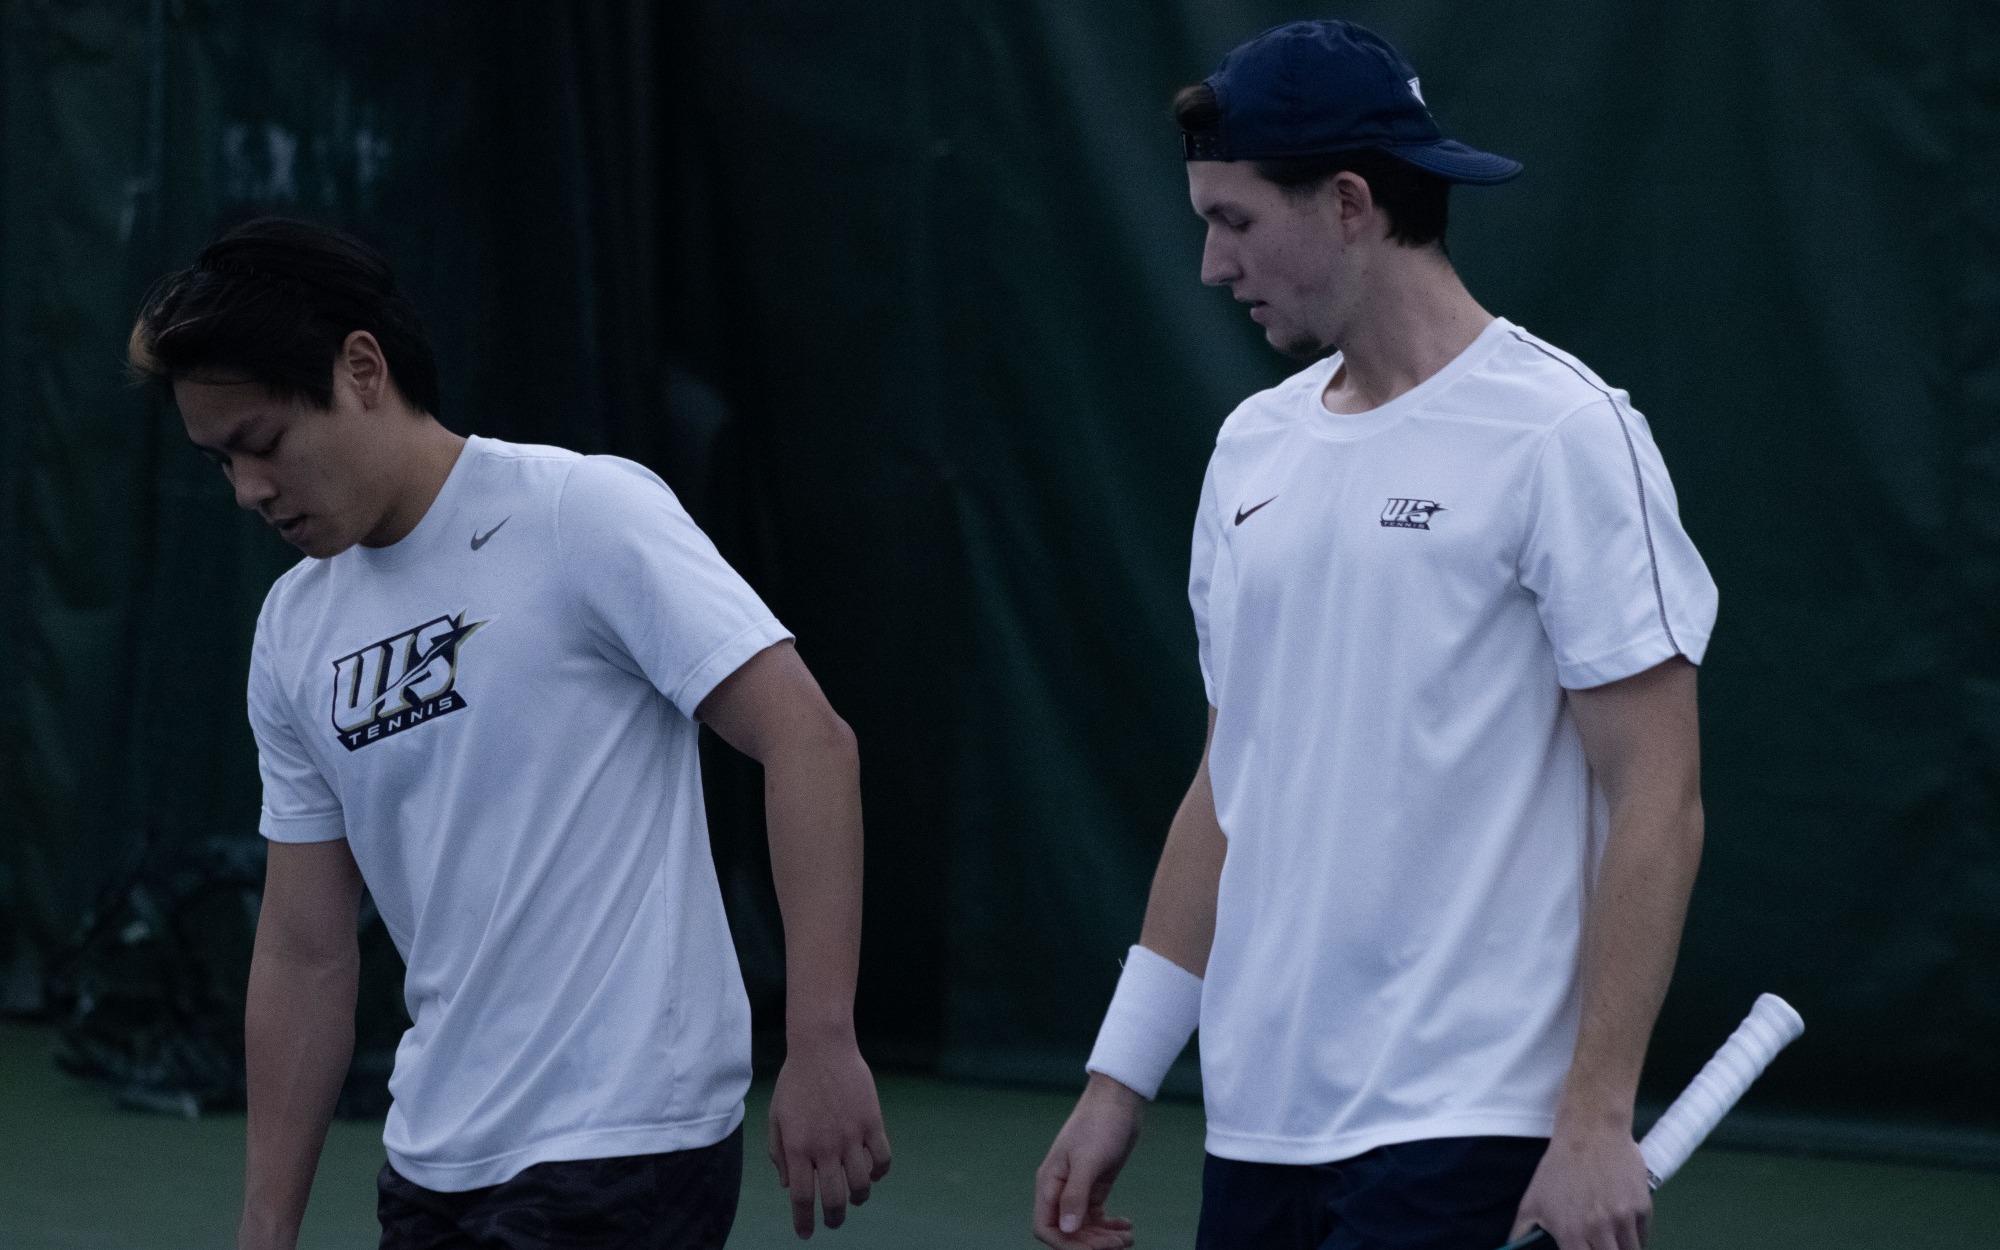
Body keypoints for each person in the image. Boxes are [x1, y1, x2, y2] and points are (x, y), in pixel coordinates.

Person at [1034, 20, 1715, 1250]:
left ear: (1347, 203)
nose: (1205, 263)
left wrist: (1592, 1115)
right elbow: (1223, 791)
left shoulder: (1561, 432)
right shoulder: (1249, 449)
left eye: (1233, 221)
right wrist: (1115, 1079)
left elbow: (1655, 793)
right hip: (1257, 1131)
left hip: (1466, 1128)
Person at [128, 217, 890, 1250]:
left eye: (261, 442)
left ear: (362, 367)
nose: (249, 488)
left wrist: (822, 1040)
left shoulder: (583, 510)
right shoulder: (292, 629)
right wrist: (266, 1229)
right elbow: (306, 947)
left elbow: (808, 740)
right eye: (220, 463)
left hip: (626, 1136)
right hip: (432, 1158)